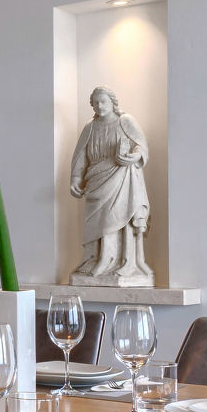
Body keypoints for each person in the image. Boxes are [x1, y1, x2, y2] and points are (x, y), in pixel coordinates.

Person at [69, 86, 152, 284]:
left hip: (120, 178)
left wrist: (134, 156)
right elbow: (80, 155)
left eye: (103, 101)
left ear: (113, 102)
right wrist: (75, 178)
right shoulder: (90, 127)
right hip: (95, 180)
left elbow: (141, 146)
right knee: (96, 222)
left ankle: (121, 262)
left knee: (116, 219)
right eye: (96, 102)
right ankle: (96, 259)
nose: (99, 106)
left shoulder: (125, 121)